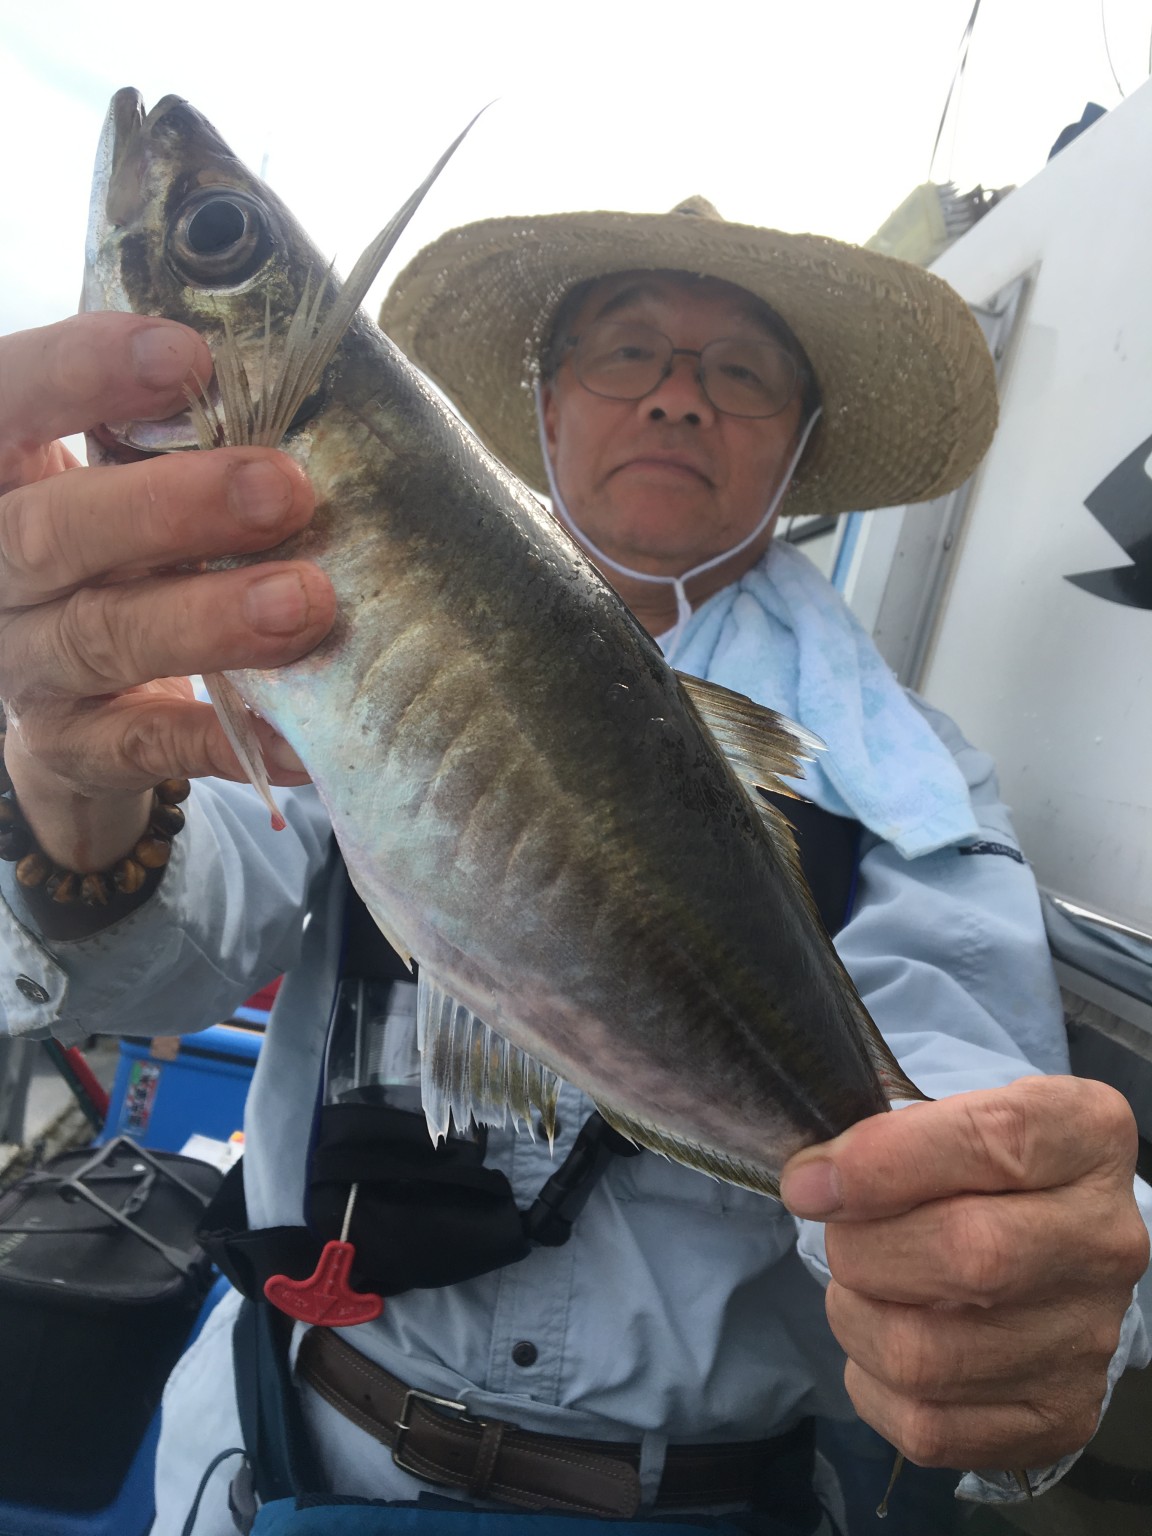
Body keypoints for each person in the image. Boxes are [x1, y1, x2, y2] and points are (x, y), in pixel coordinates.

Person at [0, 193, 1148, 1536]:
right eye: (628, 351)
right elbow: (162, 971)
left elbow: (959, 1065)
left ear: (801, 447)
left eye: (739, 371)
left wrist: (999, 1248)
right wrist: (72, 787)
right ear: (543, 407)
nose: (676, 399)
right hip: (276, 1453)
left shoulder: (905, 768)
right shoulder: (312, 614)